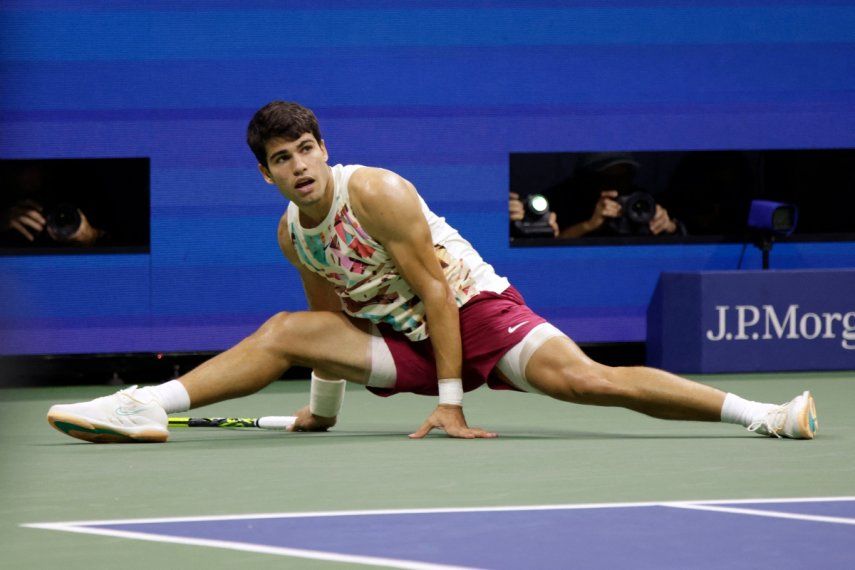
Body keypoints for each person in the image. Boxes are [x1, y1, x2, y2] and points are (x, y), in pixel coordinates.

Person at [47, 102, 817, 443]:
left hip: (474, 311)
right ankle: (147, 405)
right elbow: (329, 332)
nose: (298, 165)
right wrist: (324, 414)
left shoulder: (372, 191)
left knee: (591, 381)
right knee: (286, 330)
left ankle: (764, 415)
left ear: (322, 148)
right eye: (281, 160)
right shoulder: (293, 235)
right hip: (400, 341)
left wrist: (450, 405)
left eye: (305, 149)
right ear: (267, 176)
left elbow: (436, 290)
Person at [509, 153, 684, 239]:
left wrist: (670, 228)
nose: (615, 187)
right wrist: (590, 224)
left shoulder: (640, 201)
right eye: (606, 178)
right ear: (585, 178)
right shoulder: (561, 200)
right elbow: (548, 247)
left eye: (623, 177)